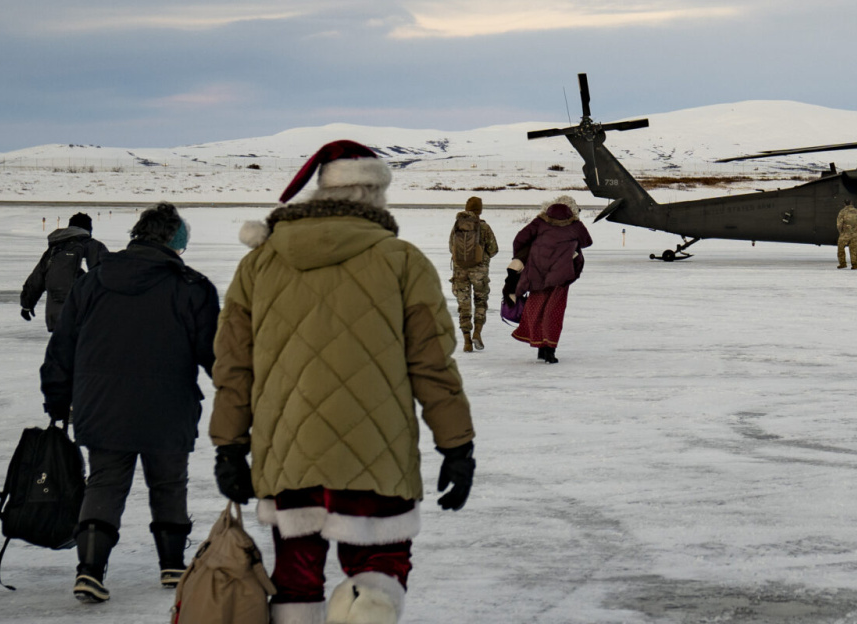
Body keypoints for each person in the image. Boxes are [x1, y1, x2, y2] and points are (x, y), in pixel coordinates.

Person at [210, 140, 476, 624]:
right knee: (379, 569)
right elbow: (433, 363)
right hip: (377, 450)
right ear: (376, 194)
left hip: (286, 451)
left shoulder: (259, 262)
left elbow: (233, 366)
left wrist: (229, 446)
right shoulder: (403, 260)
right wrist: (457, 445)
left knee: (295, 576)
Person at [40, 202, 218, 603]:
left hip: (102, 406)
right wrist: (244, 394)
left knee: (105, 482)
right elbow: (216, 354)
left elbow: (62, 346)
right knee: (169, 483)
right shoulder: (192, 285)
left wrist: (57, 398)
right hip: (168, 408)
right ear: (176, 241)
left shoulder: (94, 281)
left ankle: (89, 570)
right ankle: (172, 566)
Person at [510, 195, 592, 364]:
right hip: (560, 276)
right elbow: (587, 242)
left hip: (537, 273)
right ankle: (550, 351)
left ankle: (541, 348)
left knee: (536, 310)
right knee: (553, 312)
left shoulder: (540, 222)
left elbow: (520, 238)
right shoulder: (574, 225)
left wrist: (525, 256)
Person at [21, 212, 109, 331]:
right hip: (87, 318)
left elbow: (37, 278)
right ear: (89, 228)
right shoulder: (94, 246)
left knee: (61, 348)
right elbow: (108, 277)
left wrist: (27, 305)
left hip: (57, 318)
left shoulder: (55, 249)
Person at [449, 196, 499, 352]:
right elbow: (493, 249)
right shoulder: (483, 227)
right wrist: (482, 258)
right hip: (479, 272)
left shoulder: (457, 225)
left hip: (460, 271)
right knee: (480, 301)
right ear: (480, 210)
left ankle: (466, 341)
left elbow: (452, 247)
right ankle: (477, 332)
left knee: (464, 306)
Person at [835, 199, 857, 269]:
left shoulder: (842, 212)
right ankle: (854, 265)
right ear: (851, 203)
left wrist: (841, 232)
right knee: (854, 250)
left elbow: (839, 225)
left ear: (844, 204)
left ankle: (842, 263)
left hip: (845, 234)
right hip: (855, 234)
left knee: (840, 249)